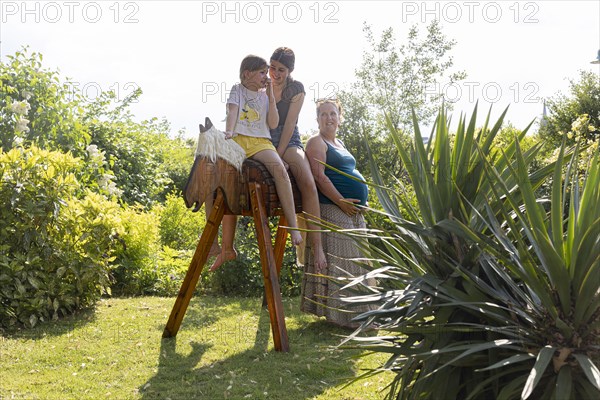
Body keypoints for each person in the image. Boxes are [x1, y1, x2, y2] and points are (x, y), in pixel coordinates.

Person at [208, 55, 303, 269]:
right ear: (247, 74)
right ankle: (218, 244)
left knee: (280, 171)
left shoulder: (265, 95)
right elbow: (232, 111)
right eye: (262, 72)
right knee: (220, 180)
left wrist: (269, 96)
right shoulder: (237, 90)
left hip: (260, 141)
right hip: (238, 139)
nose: (266, 76)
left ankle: (294, 227)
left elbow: (273, 122)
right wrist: (230, 131)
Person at [301, 98, 373, 328]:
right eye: (323, 114)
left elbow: (347, 172)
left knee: (358, 262)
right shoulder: (316, 142)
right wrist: (342, 202)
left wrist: (362, 200)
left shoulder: (339, 142)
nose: (328, 118)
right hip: (332, 209)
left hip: (351, 211)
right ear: (317, 119)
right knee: (346, 261)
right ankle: (347, 317)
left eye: (333, 113)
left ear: (340, 118)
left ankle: (364, 312)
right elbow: (319, 178)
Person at [268, 47, 326, 271]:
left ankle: (317, 247)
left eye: (281, 69)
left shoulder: (296, 89)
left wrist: (280, 154)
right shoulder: (263, 83)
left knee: (307, 181)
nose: (275, 73)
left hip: (287, 138)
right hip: (264, 136)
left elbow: (290, 124)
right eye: (272, 67)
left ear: (290, 70)